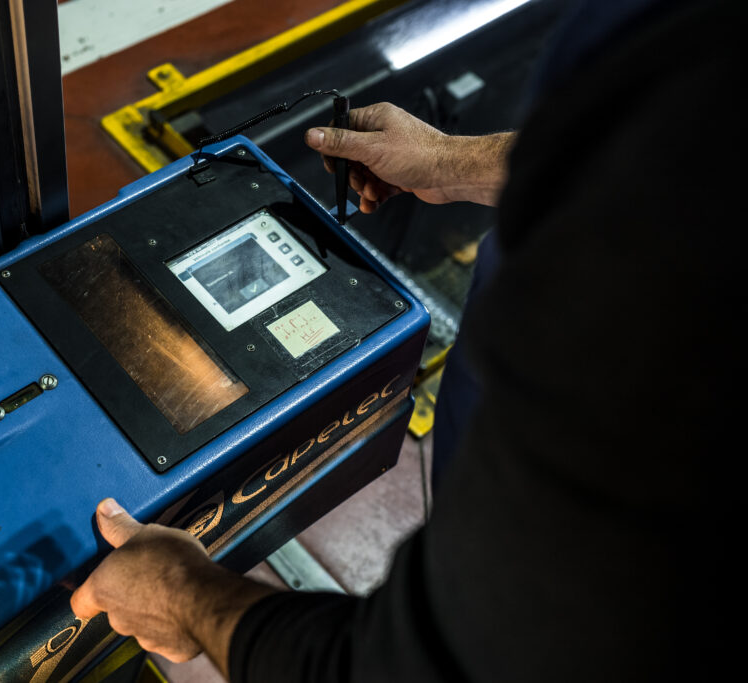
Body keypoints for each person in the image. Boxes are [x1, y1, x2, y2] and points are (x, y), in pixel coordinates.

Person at [71, 0, 740, 680]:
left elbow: (423, 665)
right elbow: (626, 161)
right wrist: (451, 161)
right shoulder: (677, 79)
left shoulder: (643, 419)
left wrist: (184, 599)